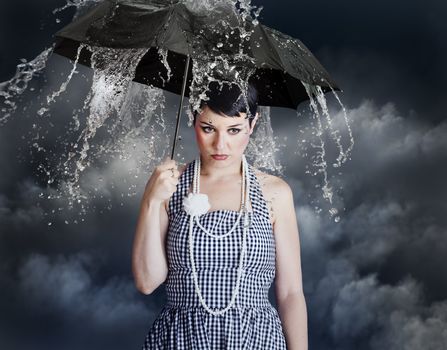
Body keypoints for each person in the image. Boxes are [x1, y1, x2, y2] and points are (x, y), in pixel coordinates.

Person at [132, 82, 308, 349]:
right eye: (208, 128)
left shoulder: (274, 192)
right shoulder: (170, 185)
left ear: (252, 124)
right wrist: (151, 200)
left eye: (234, 130)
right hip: (181, 339)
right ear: (193, 120)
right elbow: (147, 282)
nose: (220, 144)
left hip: (256, 340)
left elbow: (291, 293)